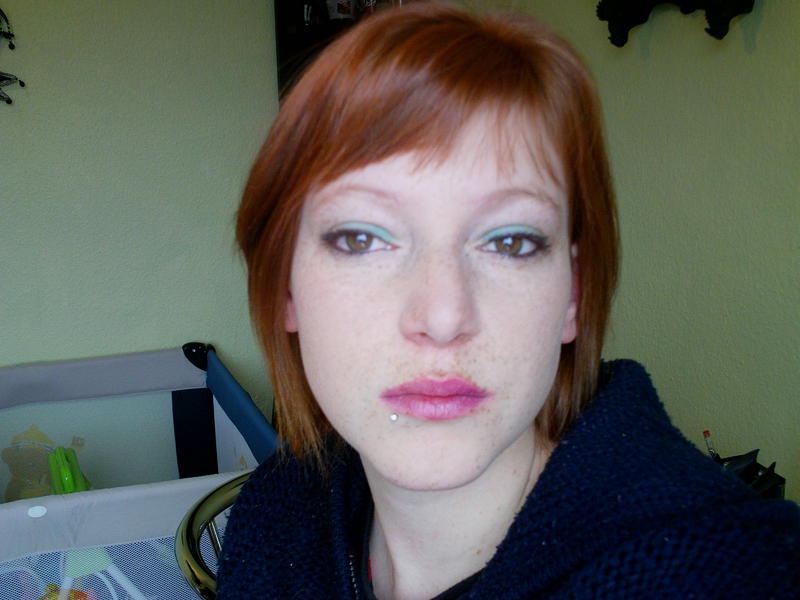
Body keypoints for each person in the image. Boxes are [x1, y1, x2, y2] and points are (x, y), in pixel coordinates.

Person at [217, 4, 800, 599]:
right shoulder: (273, 518)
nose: (443, 317)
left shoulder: (734, 571)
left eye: (510, 241)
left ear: (574, 293)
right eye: (362, 238)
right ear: (284, 285)